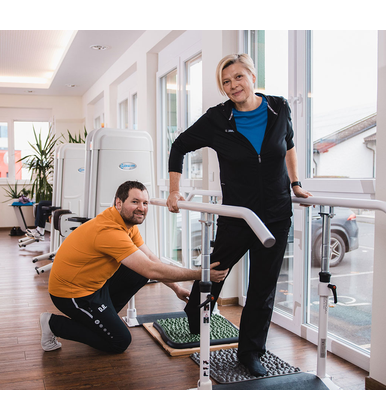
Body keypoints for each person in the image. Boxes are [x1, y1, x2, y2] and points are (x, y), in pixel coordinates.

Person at [167, 53, 312, 377]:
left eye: (238, 78)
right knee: (215, 271)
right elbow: (179, 146)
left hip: (275, 214)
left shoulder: (278, 108)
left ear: (252, 77)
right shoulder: (217, 119)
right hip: (237, 213)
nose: (233, 85)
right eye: (226, 81)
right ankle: (195, 309)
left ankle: (250, 353)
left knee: (263, 287)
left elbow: (288, 145)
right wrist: (175, 190)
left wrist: (296, 184)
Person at [40, 180, 228, 354]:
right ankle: (52, 323)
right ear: (119, 203)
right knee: (119, 341)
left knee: (137, 274)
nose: (141, 208)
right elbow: (151, 269)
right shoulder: (109, 231)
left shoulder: (126, 224)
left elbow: (151, 260)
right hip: (72, 294)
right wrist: (202, 274)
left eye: (145, 203)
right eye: (135, 202)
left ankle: (100, 320)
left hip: (95, 285)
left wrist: (176, 288)